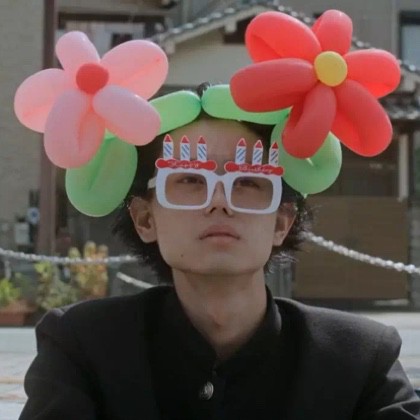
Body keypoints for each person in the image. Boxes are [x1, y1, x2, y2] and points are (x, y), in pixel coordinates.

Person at [17, 8, 420, 420]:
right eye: (190, 180)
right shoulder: (84, 347)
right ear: (145, 219)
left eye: (248, 183)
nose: (219, 201)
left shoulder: (358, 360)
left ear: (282, 222)